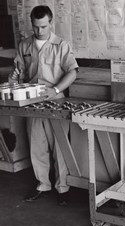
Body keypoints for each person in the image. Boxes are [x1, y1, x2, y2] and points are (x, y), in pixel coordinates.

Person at [8, 5, 78, 206]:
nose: (39, 31)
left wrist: (55, 90)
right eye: (36, 27)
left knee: (60, 146)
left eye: (43, 27)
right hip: (32, 103)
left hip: (56, 101)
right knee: (37, 145)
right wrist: (14, 80)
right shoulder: (25, 45)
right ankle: (42, 184)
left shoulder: (61, 45)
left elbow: (72, 72)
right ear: (32, 24)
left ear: (51, 22)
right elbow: (18, 73)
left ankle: (63, 187)